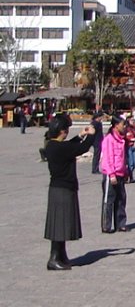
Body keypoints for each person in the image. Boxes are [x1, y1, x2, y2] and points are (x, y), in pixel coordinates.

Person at [43, 115, 95, 270]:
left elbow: (69, 147)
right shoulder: (58, 147)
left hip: (59, 188)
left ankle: (61, 255)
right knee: (59, 225)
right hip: (62, 189)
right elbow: (79, 149)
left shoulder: (52, 145)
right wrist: (92, 135)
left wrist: (80, 135)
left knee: (61, 224)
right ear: (61, 131)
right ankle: (54, 258)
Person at [100, 116, 129, 233]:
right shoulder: (109, 139)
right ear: (116, 125)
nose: (125, 127)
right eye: (123, 124)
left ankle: (120, 223)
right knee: (109, 200)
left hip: (121, 172)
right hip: (111, 174)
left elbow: (123, 158)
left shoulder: (122, 139)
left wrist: (126, 171)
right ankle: (106, 225)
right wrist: (111, 174)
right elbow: (107, 158)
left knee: (121, 199)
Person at [124, 117, 135, 183]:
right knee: (130, 163)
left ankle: (128, 175)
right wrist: (132, 139)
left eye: (133, 120)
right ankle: (128, 176)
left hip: (133, 146)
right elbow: (126, 137)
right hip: (128, 146)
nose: (133, 121)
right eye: (132, 120)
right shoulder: (126, 129)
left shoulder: (133, 128)